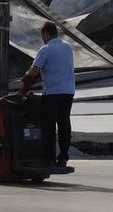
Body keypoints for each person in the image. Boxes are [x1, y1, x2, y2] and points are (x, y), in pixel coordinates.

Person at [20, 21, 75, 168]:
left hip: (52, 93)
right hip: (68, 92)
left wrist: (25, 79)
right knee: (64, 124)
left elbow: (34, 71)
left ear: (45, 34)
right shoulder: (67, 47)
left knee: (48, 126)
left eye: (42, 35)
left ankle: (49, 159)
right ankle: (63, 157)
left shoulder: (46, 49)